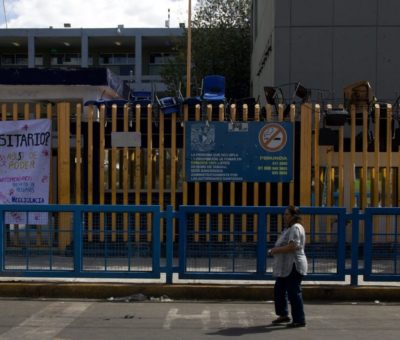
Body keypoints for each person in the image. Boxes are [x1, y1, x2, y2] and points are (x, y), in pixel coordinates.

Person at [268, 205, 307, 327]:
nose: (284, 217)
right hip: (285, 267)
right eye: (284, 214)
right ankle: (283, 314)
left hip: (294, 265)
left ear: (293, 216)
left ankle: (299, 320)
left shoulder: (295, 228)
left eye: (286, 214)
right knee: (279, 289)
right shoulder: (288, 229)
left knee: (293, 292)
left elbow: (292, 246)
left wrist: (275, 250)